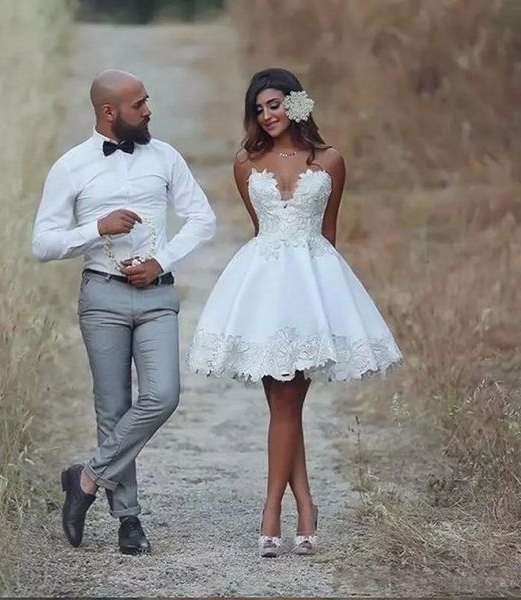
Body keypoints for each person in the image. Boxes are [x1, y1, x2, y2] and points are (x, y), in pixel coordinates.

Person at [187, 68, 402, 558]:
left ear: (297, 104)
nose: (267, 116)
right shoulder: (245, 162)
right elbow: (260, 227)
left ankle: (273, 513)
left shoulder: (330, 161)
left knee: (287, 404)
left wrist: (327, 302)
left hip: (313, 284)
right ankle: (304, 506)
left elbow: (329, 232)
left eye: (275, 105)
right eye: (259, 109)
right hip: (263, 287)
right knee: (285, 406)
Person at [32, 69, 216, 554]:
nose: (149, 109)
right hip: (102, 297)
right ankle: (128, 519)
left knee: (163, 395)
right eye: (139, 103)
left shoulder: (165, 156)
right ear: (109, 112)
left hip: (157, 296)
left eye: (148, 100)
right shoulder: (71, 166)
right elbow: (43, 244)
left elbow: (203, 218)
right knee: (113, 408)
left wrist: (162, 260)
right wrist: (96, 227)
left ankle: (86, 479)